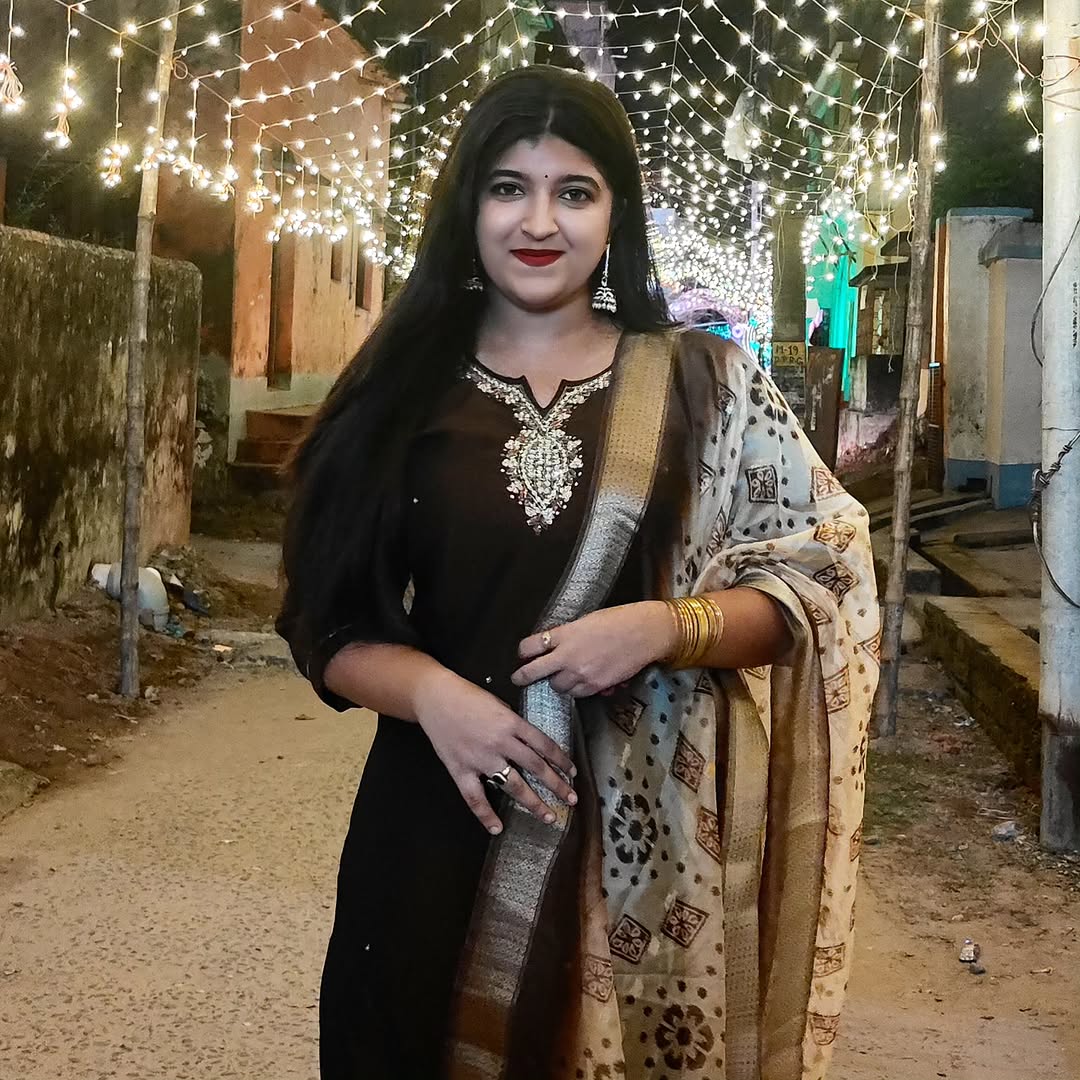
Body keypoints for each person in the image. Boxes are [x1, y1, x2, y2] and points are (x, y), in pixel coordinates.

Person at [277, 65, 879, 1080]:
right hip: (438, 820)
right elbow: (325, 622)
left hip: (649, 859)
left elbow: (825, 571)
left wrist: (667, 628)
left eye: (574, 191)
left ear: (616, 214)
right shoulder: (397, 389)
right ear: (467, 205)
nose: (538, 221)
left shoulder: (705, 385)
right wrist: (434, 697)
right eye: (508, 188)